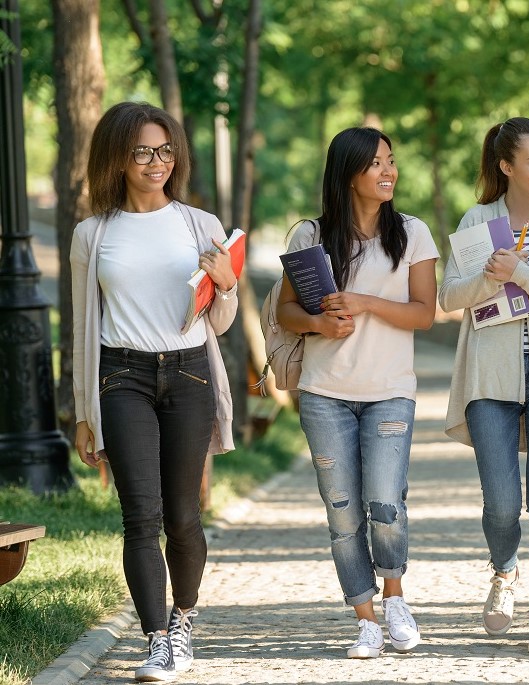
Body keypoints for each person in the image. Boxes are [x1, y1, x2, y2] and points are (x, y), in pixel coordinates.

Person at [71, 102, 238, 682]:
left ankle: (184, 619)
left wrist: (227, 285)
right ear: (116, 157)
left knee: (183, 517)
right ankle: (156, 640)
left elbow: (220, 323)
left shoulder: (200, 226)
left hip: (189, 372)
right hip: (122, 376)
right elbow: (83, 326)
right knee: (140, 516)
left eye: (165, 150)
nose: (156, 161)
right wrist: (83, 411)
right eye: (142, 150)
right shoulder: (92, 236)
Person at [276, 127, 438, 659]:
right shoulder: (310, 237)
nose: (388, 171)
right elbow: (285, 313)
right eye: (375, 164)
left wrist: (366, 302)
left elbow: (424, 313)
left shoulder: (412, 233)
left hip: (390, 390)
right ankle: (364, 617)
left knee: (385, 502)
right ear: (348, 174)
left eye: (391, 161)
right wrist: (320, 325)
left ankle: (395, 598)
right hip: (325, 393)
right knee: (343, 510)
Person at [439, 117, 529, 655]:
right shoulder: (478, 219)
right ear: (507, 167)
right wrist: (490, 276)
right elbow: (450, 298)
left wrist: (520, 273)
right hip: (489, 371)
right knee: (502, 503)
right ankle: (504, 570)